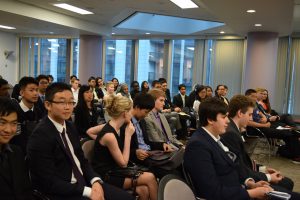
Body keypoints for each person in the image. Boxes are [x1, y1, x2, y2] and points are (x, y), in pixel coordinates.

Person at [27, 82, 134, 200]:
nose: (68, 107)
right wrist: (87, 191)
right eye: (62, 102)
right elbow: (48, 181)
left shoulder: (70, 126)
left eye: (71, 102)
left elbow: (82, 160)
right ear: (48, 105)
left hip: (85, 182)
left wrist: (95, 181)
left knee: (127, 198)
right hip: (64, 191)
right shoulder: (40, 135)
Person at [184, 97, 273, 200]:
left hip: (238, 189)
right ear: (210, 119)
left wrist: (249, 183)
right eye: (223, 117)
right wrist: (252, 193)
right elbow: (213, 192)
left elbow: (230, 168)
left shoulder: (214, 138)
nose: (227, 121)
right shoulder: (198, 146)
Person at [221, 95, 296, 193]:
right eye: (250, 114)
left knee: (287, 183)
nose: (251, 118)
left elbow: (243, 162)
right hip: (243, 181)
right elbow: (240, 168)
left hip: (247, 174)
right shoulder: (231, 133)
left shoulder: (233, 129)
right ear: (240, 113)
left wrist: (263, 168)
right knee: (287, 184)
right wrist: (267, 177)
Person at [91, 94, 158, 200]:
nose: (132, 114)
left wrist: (100, 142)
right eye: (130, 111)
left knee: (144, 190)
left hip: (115, 171)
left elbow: (89, 131)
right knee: (150, 177)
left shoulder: (112, 125)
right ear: (124, 113)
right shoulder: (110, 135)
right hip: (107, 175)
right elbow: (123, 163)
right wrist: (128, 136)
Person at [0, 97, 32, 199]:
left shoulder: (17, 152)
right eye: (2, 123)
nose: (8, 130)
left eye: (14, 123)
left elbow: (26, 189)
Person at [10, 77, 44, 154]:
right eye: (31, 90)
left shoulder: (39, 111)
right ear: (22, 93)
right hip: (16, 153)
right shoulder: (13, 111)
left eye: (37, 90)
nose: (35, 93)